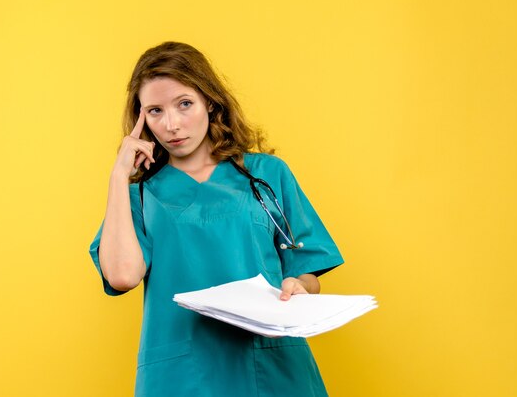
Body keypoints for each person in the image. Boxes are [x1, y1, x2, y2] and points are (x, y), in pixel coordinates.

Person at [89, 41, 344, 396]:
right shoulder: (140, 195)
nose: (172, 124)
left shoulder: (265, 175)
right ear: (140, 120)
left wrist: (301, 287)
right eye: (155, 111)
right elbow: (121, 276)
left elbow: (305, 269)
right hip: (182, 376)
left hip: (269, 368)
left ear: (210, 100)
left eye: (184, 104)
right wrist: (119, 176)